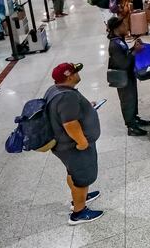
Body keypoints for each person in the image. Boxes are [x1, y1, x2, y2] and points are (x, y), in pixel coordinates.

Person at [45, 62, 104, 225]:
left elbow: (66, 114)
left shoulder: (55, 90)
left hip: (64, 146)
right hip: (73, 147)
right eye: (75, 72)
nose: (78, 73)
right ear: (69, 76)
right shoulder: (67, 96)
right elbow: (70, 123)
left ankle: (81, 197)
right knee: (81, 177)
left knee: (74, 173)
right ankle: (78, 213)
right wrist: (82, 142)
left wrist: (87, 109)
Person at [106, 17, 150, 136]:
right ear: (117, 28)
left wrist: (133, 48)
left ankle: (134, 118)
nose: (126, 28)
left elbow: (125, 55)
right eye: (123, 26)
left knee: (133, 98)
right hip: (122, 77)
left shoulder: (119, 40)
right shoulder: (114, 45)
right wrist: (135, 51)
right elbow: (124, 63)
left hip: (128, 75)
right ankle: (131, 126)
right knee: (127, 100)